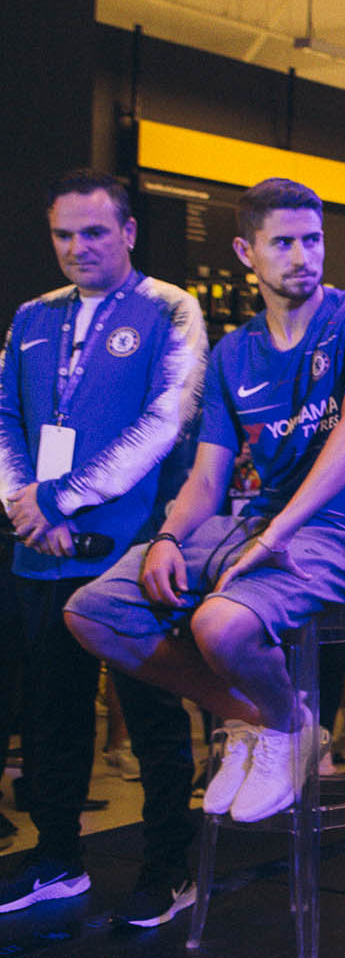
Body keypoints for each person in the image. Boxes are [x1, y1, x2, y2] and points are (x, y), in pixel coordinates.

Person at [66, 177, 345, 836]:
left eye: (313, 239)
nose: (303, 256)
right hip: (255, 523)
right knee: (92, 612)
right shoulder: (233, 352)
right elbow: (206, 477)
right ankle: (260, 718)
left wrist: (276, 533)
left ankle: (283, 726)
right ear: (246, 252)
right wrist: (167, 538)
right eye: (283, 243)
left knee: (220, 626)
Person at [0, 169, 205, 927]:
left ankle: (169, 868)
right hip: (40, 549)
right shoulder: (32, 315)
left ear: (128, 231)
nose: (77, 246)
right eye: (63, 234)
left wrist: (60, 497)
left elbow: (164, 422)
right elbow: (4, 416)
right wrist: (25, 505)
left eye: (93, 231)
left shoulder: (170, 308)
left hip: (133, 552)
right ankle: (57, 858)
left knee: (152, 717)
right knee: (51, 715)